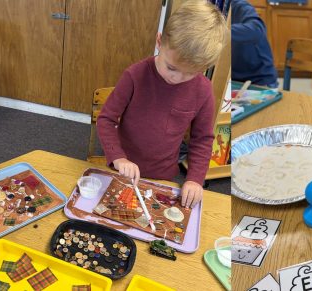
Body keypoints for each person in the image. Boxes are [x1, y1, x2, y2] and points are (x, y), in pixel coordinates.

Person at [97, 0, 228, 207]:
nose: (177, 78)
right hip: (123, 167)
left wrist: (194, 179)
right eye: (171, 67)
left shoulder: (203, 90)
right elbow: (106, 119)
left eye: (191, 73)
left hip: (163, 177)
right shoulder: (135, 75)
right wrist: (118, 158)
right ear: (159, 42)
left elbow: (202, 139)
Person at [229, 0, 278, 88]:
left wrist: (219, 30)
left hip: (260, 81)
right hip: (234, 80)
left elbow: (257, 30)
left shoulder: (239, 5)